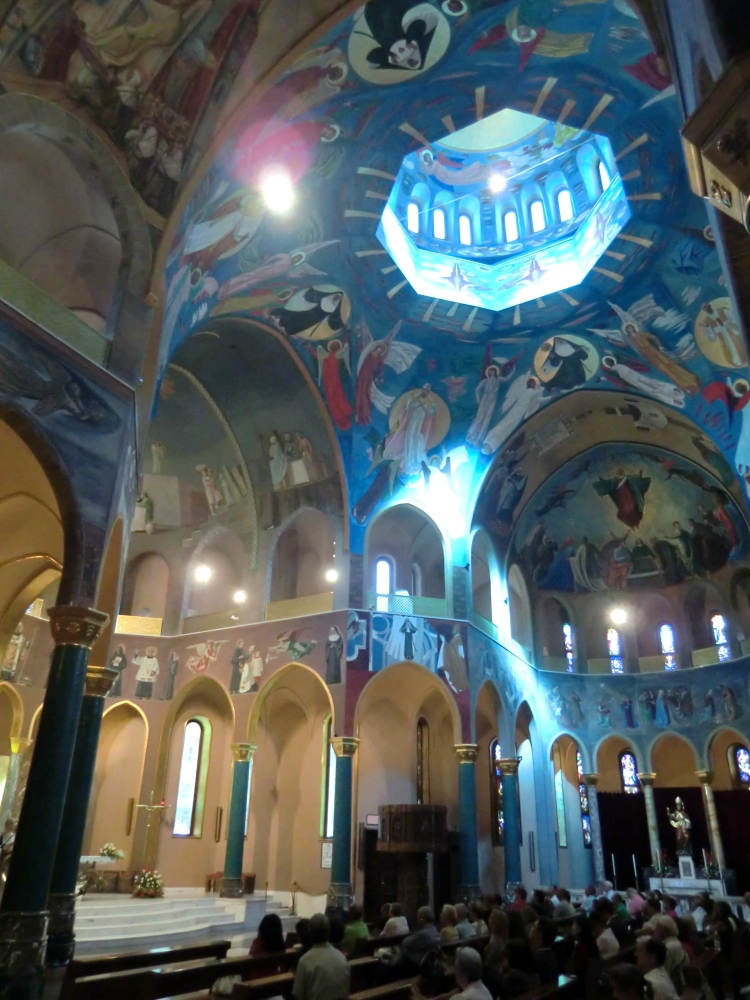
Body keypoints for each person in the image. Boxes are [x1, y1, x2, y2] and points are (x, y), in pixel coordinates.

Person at [292, 913, 350, 1000]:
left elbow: (298, 996)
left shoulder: (305, 961)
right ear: (328, 932)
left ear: (310, 933)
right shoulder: (342, 958)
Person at [411, 945, 491, 1000]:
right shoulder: (483, 988)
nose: (454, 971)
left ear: (463, 972)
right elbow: (444, 997)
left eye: (455, 966)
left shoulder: (461, 998)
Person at [651, 916, 686, 986]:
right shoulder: (674, 942)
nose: (655, 932)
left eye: (657, 930)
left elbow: (666, 972)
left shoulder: (669, 947)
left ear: (665, 930)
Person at [529, 917, 558, 985]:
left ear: (540, 934)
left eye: (534, 926)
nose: (530, 928)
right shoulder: (549, 953)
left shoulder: (537, 958)